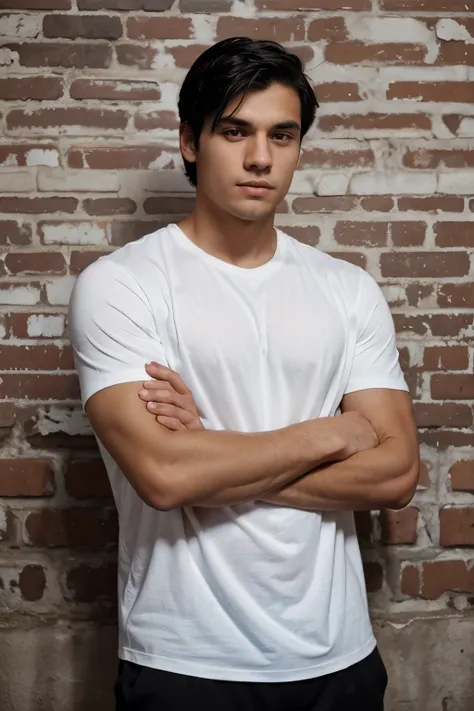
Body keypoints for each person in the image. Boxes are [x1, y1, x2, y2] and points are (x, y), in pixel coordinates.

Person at [68, 37, 420, 711]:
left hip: (339, 656)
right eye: (235, 131)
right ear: (191, 141)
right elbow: (167, 476)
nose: (260, 157)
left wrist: (213, 448)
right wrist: (336, 431)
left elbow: (396, 474)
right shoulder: (122, 286)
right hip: (185, 660)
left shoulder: (347, 290)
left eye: (281, 136)